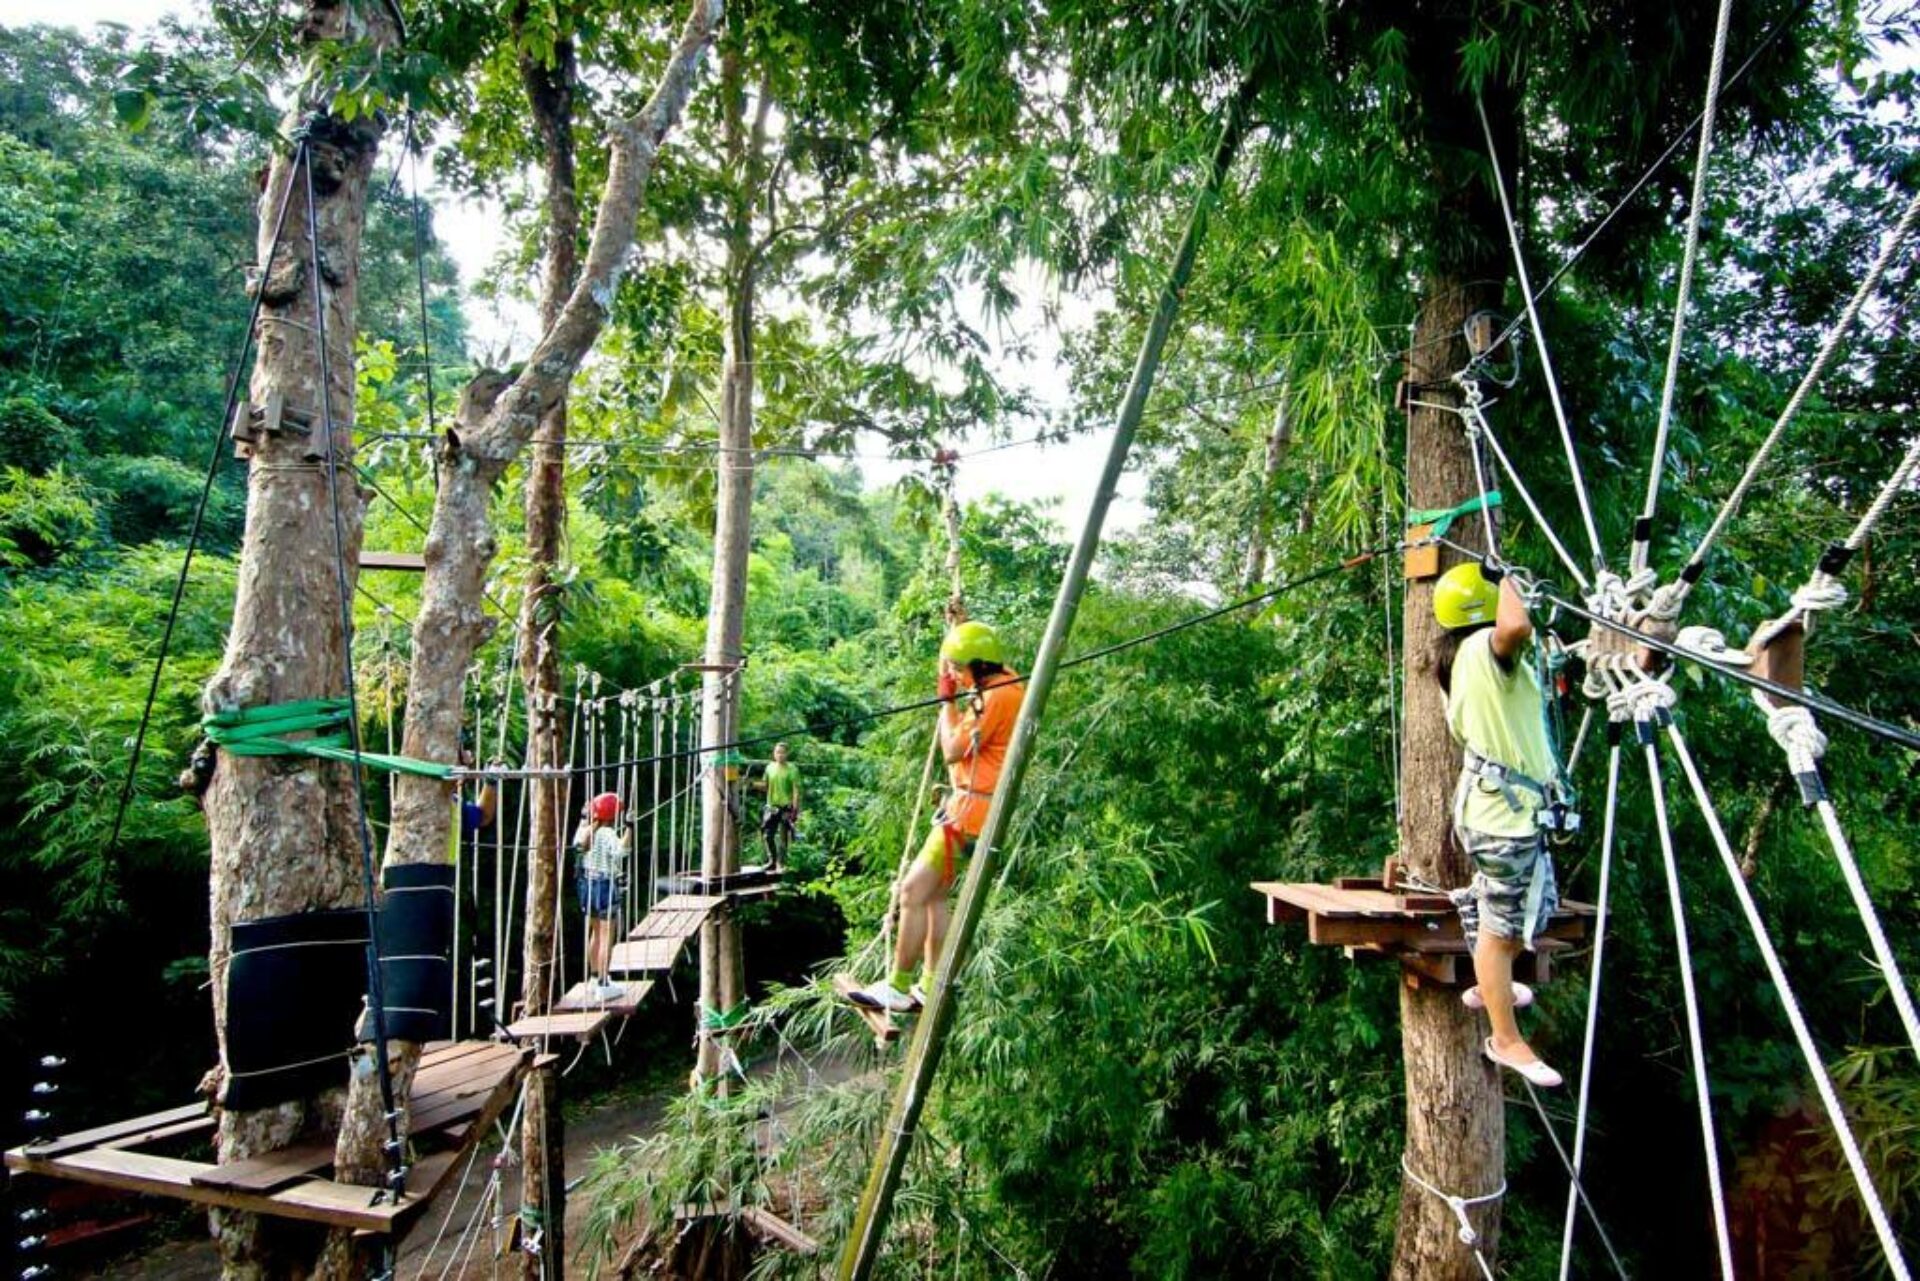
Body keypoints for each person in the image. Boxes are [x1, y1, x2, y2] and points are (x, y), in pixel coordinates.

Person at [1433, 561, 1566, 1089]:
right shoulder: (1485, 651)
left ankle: (1492, 981)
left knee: (1533, 907)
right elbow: (1515, 626)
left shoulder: (1463, 659)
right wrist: (1508, 575)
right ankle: (1505, 1039)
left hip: (1506, 812)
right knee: (1502, 927)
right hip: (1501, 819)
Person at [852, 620, 1024, 1014]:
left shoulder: (992, 698)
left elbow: (951, 749)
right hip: (979, 813)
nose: (956, 678)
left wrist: (946, 702)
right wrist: (955, 637)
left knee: (912, 892)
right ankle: (929, 983)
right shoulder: (1008, 684)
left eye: (960, 670)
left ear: (979, 667)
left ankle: (897, 984)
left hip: (966, 814)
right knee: (934, 897)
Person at [572, 792, 628, 999]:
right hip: (605, 885)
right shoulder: (606, 833)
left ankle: (595, 977)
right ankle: (604, 984)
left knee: (595, 933)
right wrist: (630, 829)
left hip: (586, 885)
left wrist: (584, 816)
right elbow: (621, 852)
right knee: (607, 936)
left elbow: (577, 844)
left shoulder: (584, 830)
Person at [759, 742, 801, 868]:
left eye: (782, 752)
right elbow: (764, 785)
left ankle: (781, 864)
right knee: (768, 834)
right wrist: (749, 784)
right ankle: (772, 860)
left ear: (787, 754)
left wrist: (795, 809)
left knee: (783, 836)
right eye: (777, 752)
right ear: (774, 754)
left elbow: (796, 790)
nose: (780, 755)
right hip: (772, 806)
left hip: (786, 807)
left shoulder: (792, 769)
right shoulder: (769, 768)